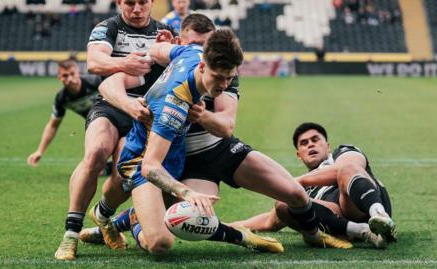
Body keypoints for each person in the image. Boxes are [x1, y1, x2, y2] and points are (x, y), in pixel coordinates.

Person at [84, 15, 351, 253]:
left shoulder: (197, 56)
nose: (224, 84)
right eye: (219, 77)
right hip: (158, 159)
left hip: (215, 148)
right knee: (165, 238)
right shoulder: (175, 102)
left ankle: (314, 235)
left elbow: (226, 126)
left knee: (296, 194)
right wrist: (130, 104)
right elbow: (149, 162)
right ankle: (133, 220)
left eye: (229, 77)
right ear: (201, 63)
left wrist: (202, 114)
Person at [54, 0, 175, 261]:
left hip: (144, 112)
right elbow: (94, 62)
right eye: (129, 2)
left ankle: (104, 217)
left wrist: (170, 49)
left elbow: (176, 66)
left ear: (151, 3)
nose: (136, 8)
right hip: (111, 104)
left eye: (142, 2)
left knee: (124, 171)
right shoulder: (108, 27)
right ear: (120, 3)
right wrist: (123, 64)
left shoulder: (164, 31)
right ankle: (70, 235)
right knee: (96, 153)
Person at [231, 122, 396, 247]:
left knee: (347, 169)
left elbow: (347, 168)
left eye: (315, 140)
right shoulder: (299, 187)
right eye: (304, 143)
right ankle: (363, 232)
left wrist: (299, 181)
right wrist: (226, 227)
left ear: (327, 146)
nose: (310, 144)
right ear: (299, 155)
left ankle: (381, 217)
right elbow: (270, 221)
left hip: (361, 204)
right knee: (283, 203)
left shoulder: (342, 153)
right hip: (337, 218)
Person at [27, 59, 112, 175]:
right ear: (59, 77)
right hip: (96, 128)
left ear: (78, 73)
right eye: (65, 76)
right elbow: (53, 125)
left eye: (72, 74)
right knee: (95, 168)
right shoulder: (61, 99)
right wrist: (39, 151)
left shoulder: (95, 82)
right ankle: (109, 167)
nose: (70, 79)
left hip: (117, 120)